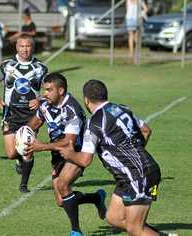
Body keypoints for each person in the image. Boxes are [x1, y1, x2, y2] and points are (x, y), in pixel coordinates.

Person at [57, 80, 162, 236]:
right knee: (114, 218)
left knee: (135, 229)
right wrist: (134, 153)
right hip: (130, 175)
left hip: (138, 175)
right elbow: (146, 130)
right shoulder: (122, 108)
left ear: (86, 100)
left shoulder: (94, 123)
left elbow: (85, 160)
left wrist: (68, 154)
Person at [25, 73, 106, 236]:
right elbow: (34, 123)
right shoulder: (46, 104)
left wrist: (42, 146)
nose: (45, 94)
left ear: (60, 90)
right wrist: (24, 136)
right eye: (44, 90)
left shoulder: (72, 109)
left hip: (76, 152)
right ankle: (96, 198)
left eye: (49, 90)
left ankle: (76, 231)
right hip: (57, 153)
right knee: (62, 201)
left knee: (62, 185)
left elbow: (69, 141)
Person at [0, 35, 48, 193]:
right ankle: (19, 161)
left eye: (28, 46)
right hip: (11, 113)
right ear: (16, 47)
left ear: (32, 47)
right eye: (22, 46)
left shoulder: (41, 67)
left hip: (32, 115)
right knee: (11, 153)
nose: (25, 49)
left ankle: (24, 185)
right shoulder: (6, 65)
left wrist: (40, 99)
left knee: (28, 149)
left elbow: (50, 90)